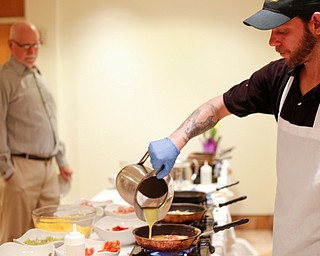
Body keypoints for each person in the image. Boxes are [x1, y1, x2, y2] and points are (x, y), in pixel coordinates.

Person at [148, 0, 320, 255]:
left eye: (282, 31)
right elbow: (219, 106)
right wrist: (176, 140)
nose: (272, 42)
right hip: (288, 235)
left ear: (316, 24)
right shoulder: (279, 77)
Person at [0, 20, 73, 243]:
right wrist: (8, 172)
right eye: (24, 45)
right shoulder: (4, 79)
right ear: (11, 45)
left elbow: (50, 122)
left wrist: (61, 160)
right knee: (16, 237)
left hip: (48, 169)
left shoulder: (39, 75)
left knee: (51, 234)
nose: (31, 51)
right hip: (21, 169)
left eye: (36, 45)